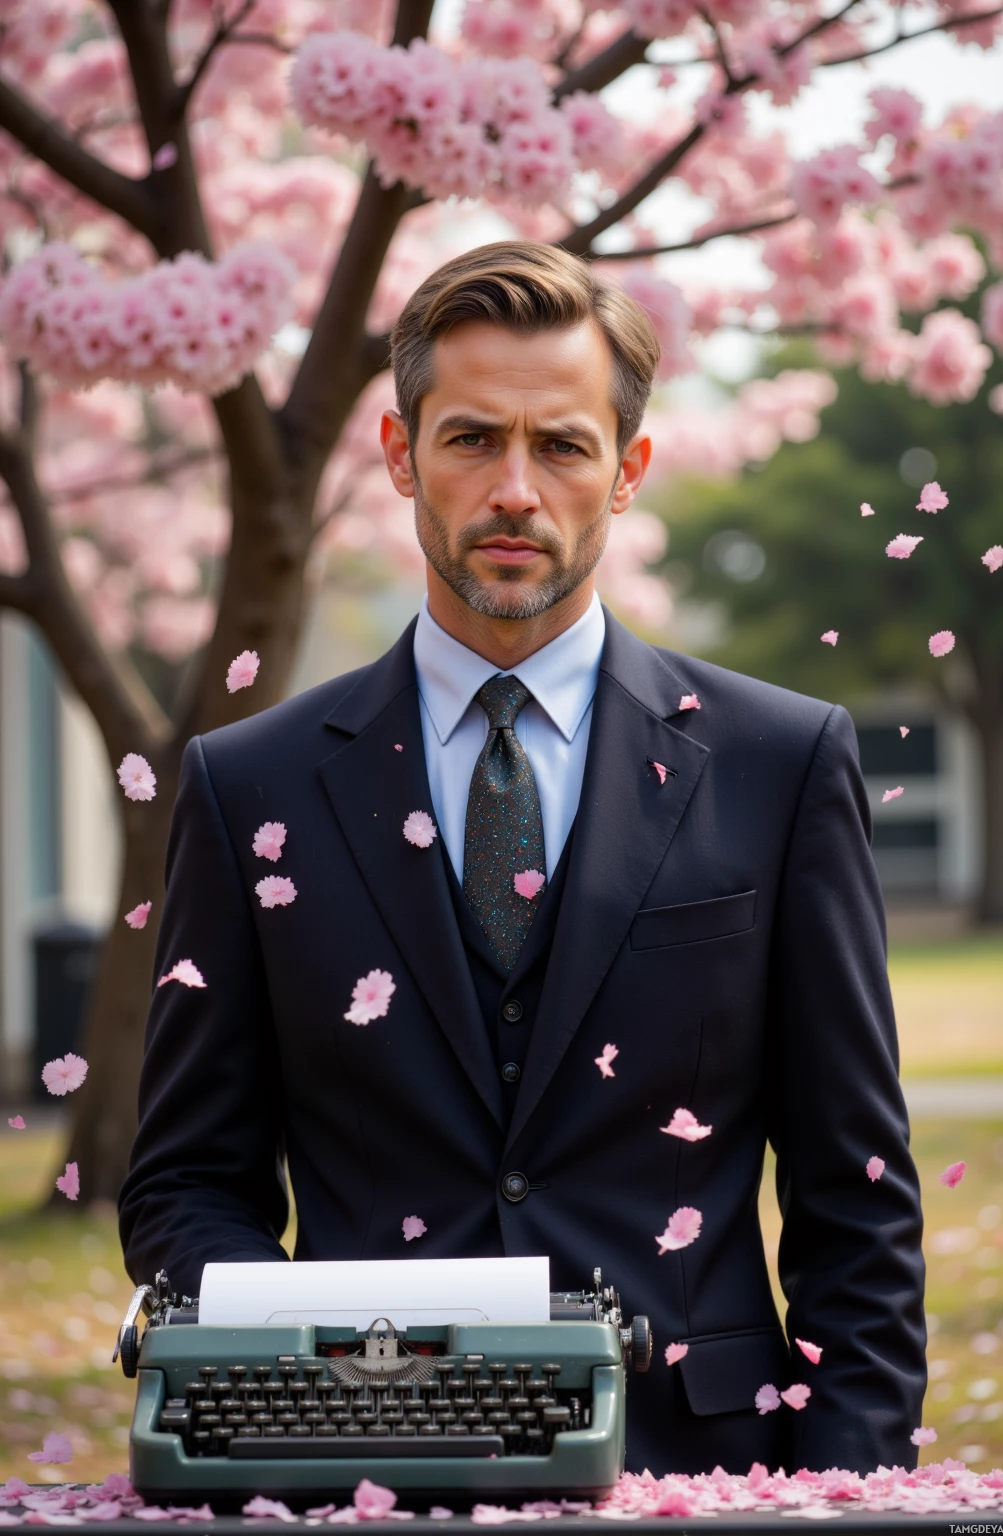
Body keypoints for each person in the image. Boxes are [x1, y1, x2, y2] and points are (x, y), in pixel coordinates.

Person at [118, 240, 926, 1478]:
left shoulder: (782, 761)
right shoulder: (249, 785)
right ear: (401, 456)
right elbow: (186, 1181)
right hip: (357, 1481)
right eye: (470, 439)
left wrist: (848, 1490)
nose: (513, 489)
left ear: (627, 471)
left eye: (560, 445)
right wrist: (302, 1405)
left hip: (704, 1473)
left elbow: (853, 1192)